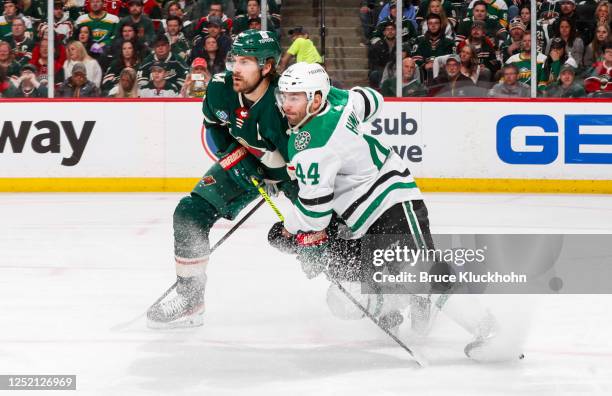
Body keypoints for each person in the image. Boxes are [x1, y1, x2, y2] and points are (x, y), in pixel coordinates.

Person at [275, 62, 523, 363]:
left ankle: (489, 331)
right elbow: (373, 100)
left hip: (392, 203)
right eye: (284, 96)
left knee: (421, 269)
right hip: (361, 223)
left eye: (295, 97)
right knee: (343, 300)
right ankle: (403, 301)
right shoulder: (339, 100)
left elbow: (314, 215)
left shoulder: (313, 144)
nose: (286, 104)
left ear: (315, 98)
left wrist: (287, 231)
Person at [146, 30, 296, 328]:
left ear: (267, 67)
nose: (236, 69)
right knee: (190, 212)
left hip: (297, 173)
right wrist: (233, 160)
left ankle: (366, 284)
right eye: (234, 60)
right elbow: (213, 126)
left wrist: (283, 179)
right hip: (246, 159)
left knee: (322, 231)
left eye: (246, 62)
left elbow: (308, 154)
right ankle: (190, 300)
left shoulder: (288, 101)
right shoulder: (219, 88)